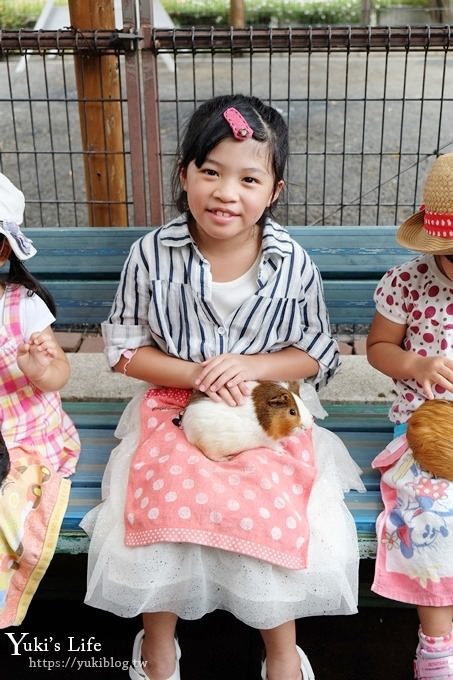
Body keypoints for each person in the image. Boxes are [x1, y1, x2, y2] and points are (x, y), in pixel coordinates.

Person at [81, 93, 365, 680]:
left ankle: (281, 652)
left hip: (268, 407)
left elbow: (314, 352)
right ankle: (158, 645)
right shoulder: (152, 255)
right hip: (172, 403)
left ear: (274, 190)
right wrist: (192, 375)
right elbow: (124, 349)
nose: (226, 192)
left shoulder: (291, 261)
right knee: (156, 503)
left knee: (271, 499)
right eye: (209, 171)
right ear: (183, 173)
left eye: (248, 177)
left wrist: (256, 366)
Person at [367, 153, 453, 679]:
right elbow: (378, 346)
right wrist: (416, 363)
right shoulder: (409, 282)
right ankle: (438, 641)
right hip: (423, 430)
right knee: (431, 517)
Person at [0, 172, 80, 627]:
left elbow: (59, 375)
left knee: (8, 504)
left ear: (3, 249)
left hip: (25, 435)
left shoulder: (21, 305)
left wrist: (42, 369)